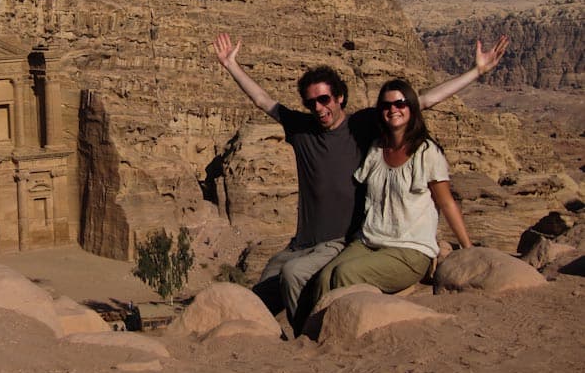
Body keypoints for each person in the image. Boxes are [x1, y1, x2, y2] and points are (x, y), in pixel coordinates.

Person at [213, 33, 508, 334]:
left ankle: (308, 337)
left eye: (325, 99)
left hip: (339, 240)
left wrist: (477, 72)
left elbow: (422, 100)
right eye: (311, 102)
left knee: (293, 276)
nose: (319, 108)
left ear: (340, 97)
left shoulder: (362, 126)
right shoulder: (302, 129)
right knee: (260, 294)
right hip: (300, 242)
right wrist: (231, 65)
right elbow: (263, 101)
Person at [310, 79, 472, 308]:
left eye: (400, 103)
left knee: (346, 273)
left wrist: (468, 249)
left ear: (412, 108)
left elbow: (446, 203)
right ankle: (314, 335)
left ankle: (346, 333)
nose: (393, 109)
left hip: (409, 250)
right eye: (386, 106)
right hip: (370, 241)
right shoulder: (377, 148)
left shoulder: (427, 152)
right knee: (325, 277)